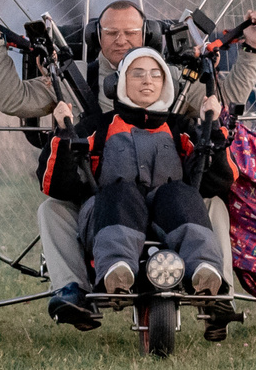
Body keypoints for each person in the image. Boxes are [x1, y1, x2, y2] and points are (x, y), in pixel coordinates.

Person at [0, 0, 256, 329]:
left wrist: (252, 51)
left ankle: (216, 293)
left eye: (130, 32)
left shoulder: (172, 79)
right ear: (95, 36)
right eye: (111, 33)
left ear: (147, 34)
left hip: (170, 197)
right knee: (52, 209)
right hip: (102, 195)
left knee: (212, 202)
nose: (121, 40)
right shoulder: (71, 82)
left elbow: (224, 99)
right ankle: (73, 290)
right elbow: (14, 99)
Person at [85, 47, 227, 298]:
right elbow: (59, 184)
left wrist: (212, 126)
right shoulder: (98, 127)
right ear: (118, 83)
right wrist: (63, 141)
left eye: (155, 74)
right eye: (137, 74)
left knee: (178, 193)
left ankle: (204, 268)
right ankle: (117, 269)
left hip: (170, 214)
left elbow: (218, 181)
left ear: (165, 84)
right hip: (113, 213)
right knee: (120, 192)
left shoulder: (180, 128)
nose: (147, 81)